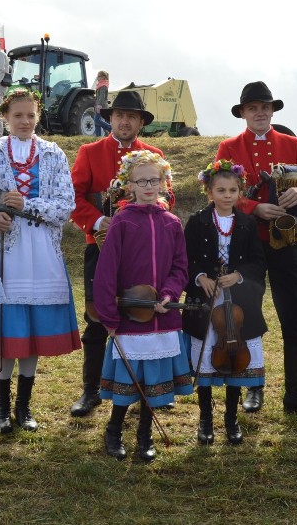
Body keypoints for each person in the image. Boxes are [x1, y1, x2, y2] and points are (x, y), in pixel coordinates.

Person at [216, 81, 297, 418]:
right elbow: (221, 189)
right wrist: (253, 208)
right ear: (243, 113)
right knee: (246, 317)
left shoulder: (292, 144)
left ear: (272, 110)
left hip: (286, 241)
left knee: (296, 317)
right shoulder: (228, 147)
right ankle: (253, 388)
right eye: (252, 108)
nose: (260, 112)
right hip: (246, 245)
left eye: (264, 107)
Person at [0, 89, 81, 434]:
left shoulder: (52, 153)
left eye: (31, 115)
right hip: (5, 249)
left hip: (43, 250)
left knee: (31, 329)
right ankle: (0, 406)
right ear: (5, 117)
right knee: (7, 327)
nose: (25, 121)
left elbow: (65, 205)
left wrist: (26, 207)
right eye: (18, 115)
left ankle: (24, 405)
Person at [68, 90, 167, 417]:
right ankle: (91, 390)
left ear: (141, 121)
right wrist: (99, 220)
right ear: (110, 119)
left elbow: (170, 198)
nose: (125, 121)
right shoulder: (89, 152)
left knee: (140, 319)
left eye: (132, 116)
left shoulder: (153, 154)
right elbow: (74, 196)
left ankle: (142, 388)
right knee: (97, 320)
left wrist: (145, 206)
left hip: (140, 253)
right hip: (100, 249)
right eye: (119, 115)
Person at [94, 150, 191, 461]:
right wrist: (109, 315)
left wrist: (169, 293)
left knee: (153, 381)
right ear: (130, 185)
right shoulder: (122, 222)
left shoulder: (172, 223)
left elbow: (180, 267)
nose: (149, 186)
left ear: (163, 182)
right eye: (142, 181)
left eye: (154, 179)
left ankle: (144, 433)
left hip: (161, 319)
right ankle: (114, 429)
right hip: (130, 317)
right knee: (129, 377)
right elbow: (106, 272)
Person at [183, 160, 267, 445]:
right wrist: (199, 277)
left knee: (234, 356)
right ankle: (205, 419)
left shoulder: (247, 223)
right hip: (207, 302)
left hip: (238, 304)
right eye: (221, 189)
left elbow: (258, 261)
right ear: (209, 191)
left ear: (240, 191)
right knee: (207, 357)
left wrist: (240, 276)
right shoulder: (197, 222)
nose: (227, 195)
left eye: (233, 189)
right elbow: (185, 259)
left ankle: (231, 420)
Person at [93, 70, 112, 137]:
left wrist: (99, 106)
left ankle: (111, 128)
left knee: (96, 120)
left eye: (99, 76)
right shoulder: (99, 85)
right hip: (98, 105)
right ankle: (98, 137)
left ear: (103, 77)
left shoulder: (103, 86)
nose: (97, 78)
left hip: (102, 106)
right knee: (97, 122)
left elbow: (102, 97)